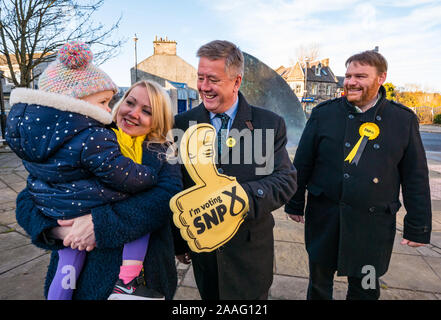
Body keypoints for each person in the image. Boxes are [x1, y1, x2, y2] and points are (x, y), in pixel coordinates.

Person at [9, 57, 182, 299]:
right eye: (130, 103)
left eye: (147, 111)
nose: (133, 113)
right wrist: (57, 231)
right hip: (81, 279)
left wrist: (100, 224)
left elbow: (166, 199)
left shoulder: (165, 151)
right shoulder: (85, 137)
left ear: (158, 120)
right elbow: (30, 198)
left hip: (142, 281)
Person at [285, 50, 432, 300]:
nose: (351, 81)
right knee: (319, 287)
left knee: (364, 289)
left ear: (381, 78)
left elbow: (415, 176)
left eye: (361, 76)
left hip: (372, 226)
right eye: (349, 75)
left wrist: (418, 226)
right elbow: (303, 162)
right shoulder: (324, 114)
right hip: (325, 218)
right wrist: (295, 202)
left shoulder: (403, 120)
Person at [172, 40, 297, 300]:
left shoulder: (268, 124)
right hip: (205, 258)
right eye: (200, 77)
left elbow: (285, 180)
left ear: (236, 81)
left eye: (213, 80)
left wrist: (238, 198)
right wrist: (180, 241)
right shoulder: (181, 124)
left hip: (250, 255)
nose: (204, 87)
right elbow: (176, 186)